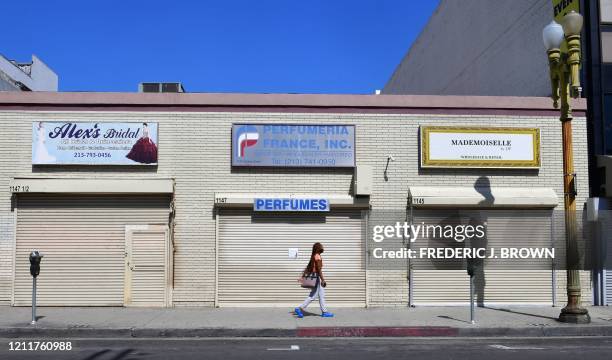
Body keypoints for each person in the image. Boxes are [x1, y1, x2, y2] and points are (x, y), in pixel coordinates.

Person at [294, 242, 334, 318]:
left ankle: (324, 312)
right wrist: (323, 279)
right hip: (317, 278)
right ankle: (300, 308)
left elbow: (309, 268)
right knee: (313, 296)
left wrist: (303, 277)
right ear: (318, 248)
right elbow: (319, 270)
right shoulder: (317, 256)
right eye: (321, 246)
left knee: (321, 295)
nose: (322, 247)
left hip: (315, 277)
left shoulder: (314, 256)